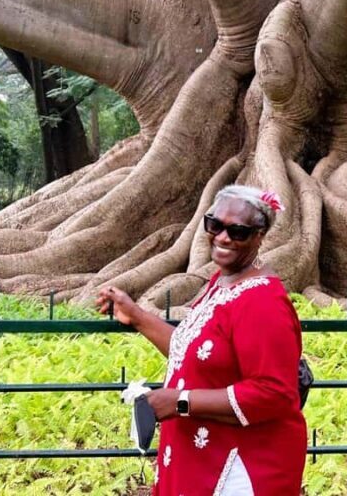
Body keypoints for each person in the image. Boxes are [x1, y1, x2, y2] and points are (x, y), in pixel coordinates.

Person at [96, 185, 306, 495]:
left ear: (260, 235)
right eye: (215, 225)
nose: (223, 237)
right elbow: (195, 351)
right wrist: (137, 316)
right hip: (198, 459)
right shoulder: (220, 283)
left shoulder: (262, 301)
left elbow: (273, 393)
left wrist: (180, 401)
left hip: (236, 467)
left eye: (238, 231)